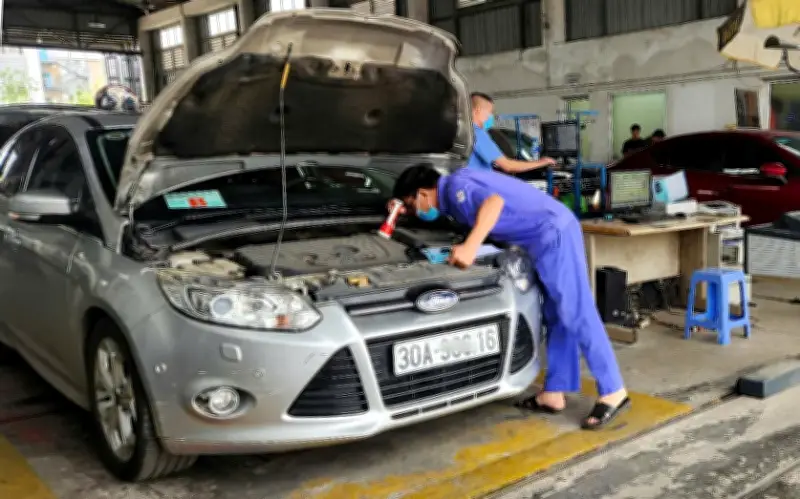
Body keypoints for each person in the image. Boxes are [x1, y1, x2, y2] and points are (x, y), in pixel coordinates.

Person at [390, 164, 630, 430]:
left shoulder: (456, 187)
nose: (416, 212)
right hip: (541, 239)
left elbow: (493, 203)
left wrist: (470, 246)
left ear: (423, 194)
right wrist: (398, 211)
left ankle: (613, 390)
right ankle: (554, 392)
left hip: (554, 233)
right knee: (556, 314)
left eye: (412, 206)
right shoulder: (452, 195)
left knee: (576, 311)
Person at [467, 92, 557, 173]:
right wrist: (542, 162)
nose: (491, 116)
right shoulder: (477, 133)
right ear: (477, 111)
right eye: (490, 112)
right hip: (477, 183)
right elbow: (509, 166)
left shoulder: (466, 132)